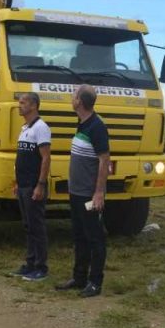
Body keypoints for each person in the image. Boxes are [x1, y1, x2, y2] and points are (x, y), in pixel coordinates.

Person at [55, 84, 110, 298]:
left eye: (73, 95)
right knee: (79, 236)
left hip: (89, 194)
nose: (71, 98)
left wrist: (99, 193)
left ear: (79, 102)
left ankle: (95, 282)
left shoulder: (97, 127)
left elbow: (104, 160)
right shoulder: (82, 123)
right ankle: (79, 278)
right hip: (76, 192)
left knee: (95, 238)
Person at [11, 92, 52, 281]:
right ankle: (30, 263)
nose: (20, 105)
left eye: (23, 102)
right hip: (23, 185)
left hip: (34, 186)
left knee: (37, 226)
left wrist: (40, 185)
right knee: (28, 226)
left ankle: (41, 267)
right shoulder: (24, 128)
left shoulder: (41, 128)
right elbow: (22, 158)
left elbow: (45, 157)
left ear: (34, 105)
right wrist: (17, 183)